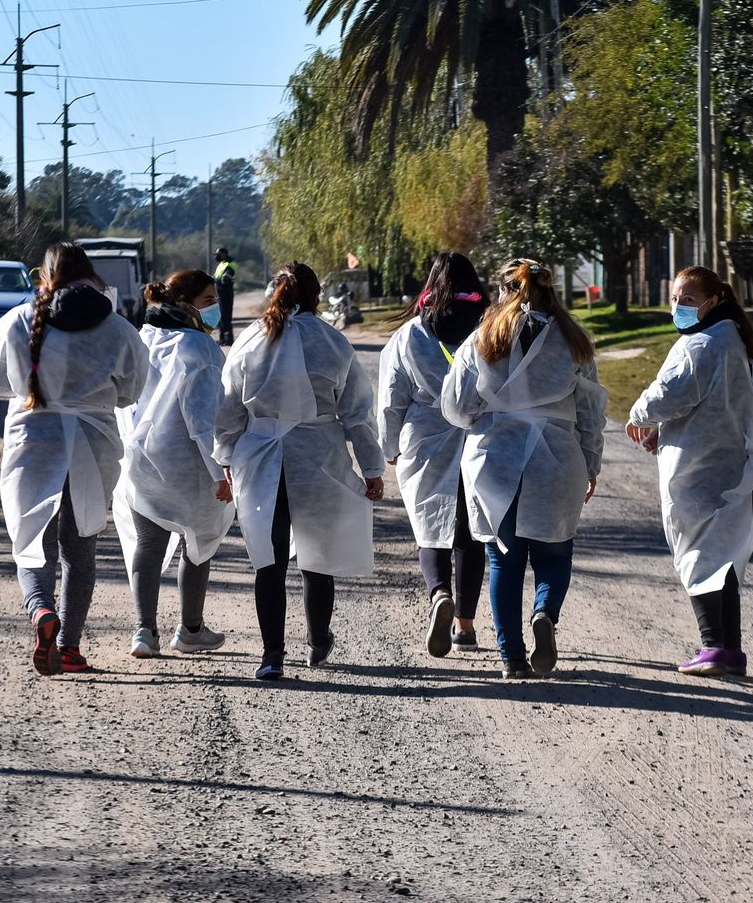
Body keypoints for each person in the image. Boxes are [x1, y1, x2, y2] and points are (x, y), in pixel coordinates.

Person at [214, 262, 385, 681]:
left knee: (268, 560)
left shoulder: (251, 341)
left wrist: (224, 459)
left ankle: (272, 654)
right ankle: (316, 639)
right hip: (318, 457)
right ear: (316, 295)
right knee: (316, 554)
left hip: (260, 458)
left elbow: (229, 409)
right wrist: (372, 467)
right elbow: (357, 413)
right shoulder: (333, 342)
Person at [0, 242, 149, 676]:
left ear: (44, 276)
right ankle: (70, 647)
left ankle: (40, 611)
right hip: (94, 445)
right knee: (80, 548)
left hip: (32, 440)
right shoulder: (117, 328)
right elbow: (131, 392)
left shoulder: (16, 321)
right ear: (88, 275)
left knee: (32, 540)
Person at [441, 258, 607, 679]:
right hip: (558, 458)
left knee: (504, 561)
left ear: (504, 291)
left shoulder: (483, 337)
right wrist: (591, 464)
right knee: (555, 552)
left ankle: (512, 658)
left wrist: (493, 410)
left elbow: (458, 408)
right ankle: (546, 613)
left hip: (498, 458)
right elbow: (591, 411)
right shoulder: (575, 341)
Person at [627, 266, 753, 677]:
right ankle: (730, 650)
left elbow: (669, 395)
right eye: (675, 298)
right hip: (731, 465)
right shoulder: (735, 341)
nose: (678, 306)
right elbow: (714, 406)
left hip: (702, 471)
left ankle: (712, 647)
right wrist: (669, 434)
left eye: (687, 299)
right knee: (722, 561)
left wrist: (639, 414)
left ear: (713, 300)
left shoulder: (702, 345)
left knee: (698, 557)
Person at [113, 269, 233, 659]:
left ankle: (143, 632)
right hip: (189, 465)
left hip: (142, 461)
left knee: (148, 544)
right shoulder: (199, 348)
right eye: (209, 301)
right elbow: (202, 421)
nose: (215, 308)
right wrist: (222, 472)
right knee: (196, 544)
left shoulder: (141, 338)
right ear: (185, 304)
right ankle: (191, 628)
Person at [379, 252, 490, 656]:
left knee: (430, 522)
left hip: (425, 437)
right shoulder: (489, 325)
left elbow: (392, 399)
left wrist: (388, 447)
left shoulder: (411, 334)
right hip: (481, 435)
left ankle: (439, 592)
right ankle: (465, 627)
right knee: (471, 529)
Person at [213, 248, 239, 346]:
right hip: (219, 294)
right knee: (220, 318)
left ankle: (229, 339)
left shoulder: (230, 264)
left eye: (218, 254)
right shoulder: (221, 264)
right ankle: (222, 338)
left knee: (226, 317)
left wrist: (223, 279)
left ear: (224, 254)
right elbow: (216, 277)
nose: (217, 256)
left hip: (226, 294)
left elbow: (226, 278)